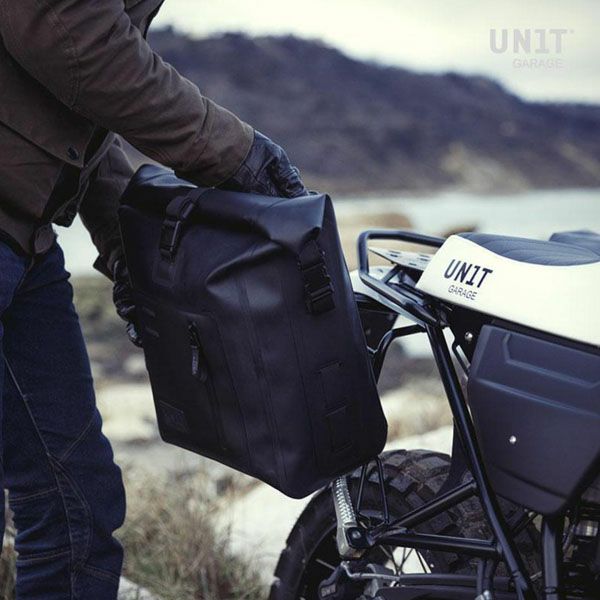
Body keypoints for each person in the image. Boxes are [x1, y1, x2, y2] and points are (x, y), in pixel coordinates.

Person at [0, 0, 307, 597]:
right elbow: (71, 35)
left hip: (24, 240)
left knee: (74, 508)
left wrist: (127, 241)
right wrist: (237, 151)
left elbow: (67, 96)